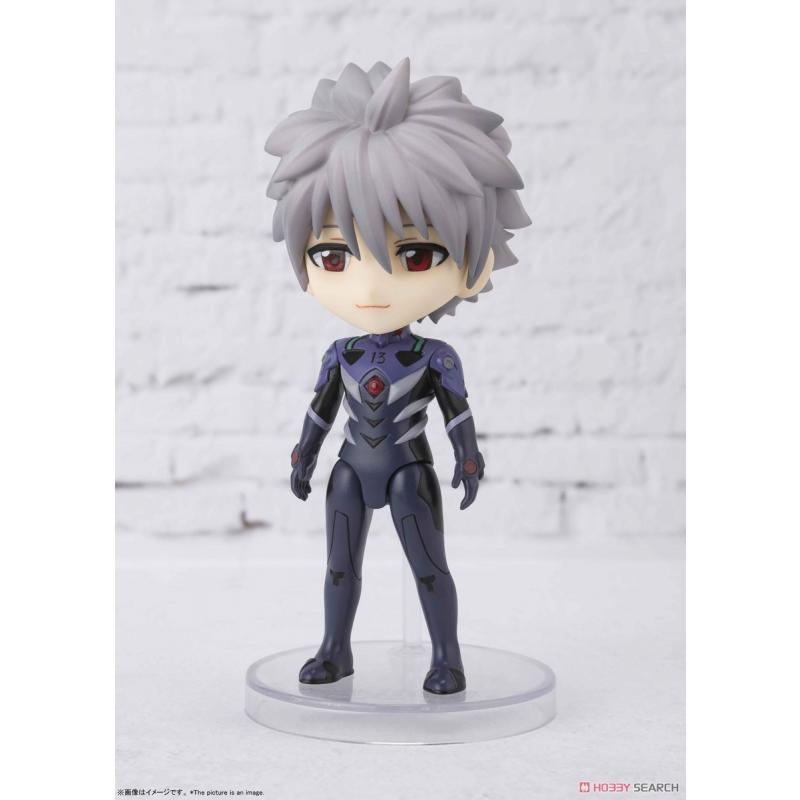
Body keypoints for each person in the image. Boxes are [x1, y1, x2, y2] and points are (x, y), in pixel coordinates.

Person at [264, 58, 530, 694]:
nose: (371, 285)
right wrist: (304, 455)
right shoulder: (342, 353)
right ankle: (335, 649)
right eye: (334, 255)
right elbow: (321, 410)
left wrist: (469, 460)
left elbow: (459, 415)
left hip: (408, 470)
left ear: (472, 265)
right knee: (339, 567)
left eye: (414, 254)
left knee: (429, 569)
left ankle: (446, 657)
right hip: (350, 470)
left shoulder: (434, 358)